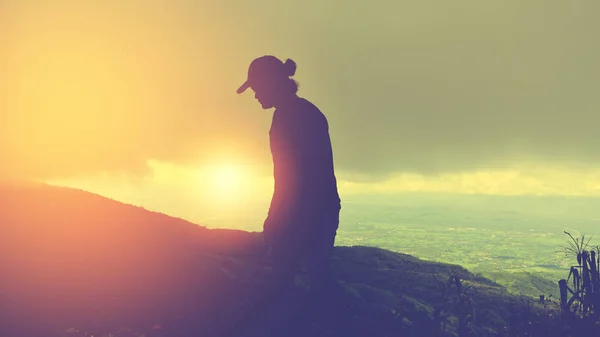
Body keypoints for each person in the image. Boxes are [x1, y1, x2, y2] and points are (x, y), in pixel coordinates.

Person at [237, 55, 342, 294]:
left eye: (256, 88)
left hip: (305, 212)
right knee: (314, 281)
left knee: (285, 285)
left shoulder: (289, 117)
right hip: (319, 208)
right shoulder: (302, 112)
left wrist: (276, 219)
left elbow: (292, 177)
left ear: (270, 83)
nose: (255, 95)